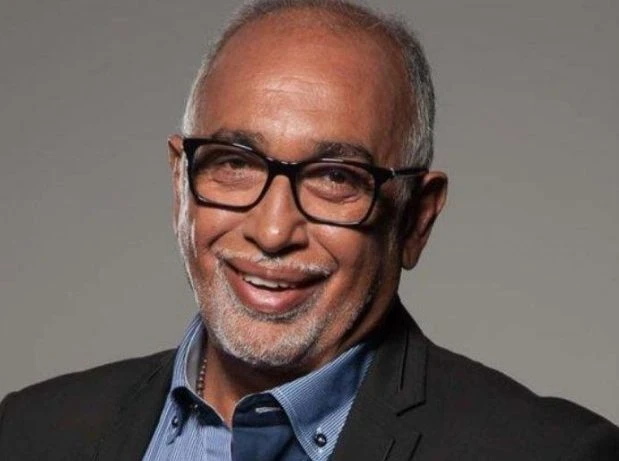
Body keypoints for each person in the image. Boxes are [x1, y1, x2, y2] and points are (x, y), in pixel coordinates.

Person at [1, 0, 617, 459]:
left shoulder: (552, 452)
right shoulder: (28, 433)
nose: (273, 231)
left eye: (336, 177)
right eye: (235, 163)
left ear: (416, 219)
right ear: (180, 183)